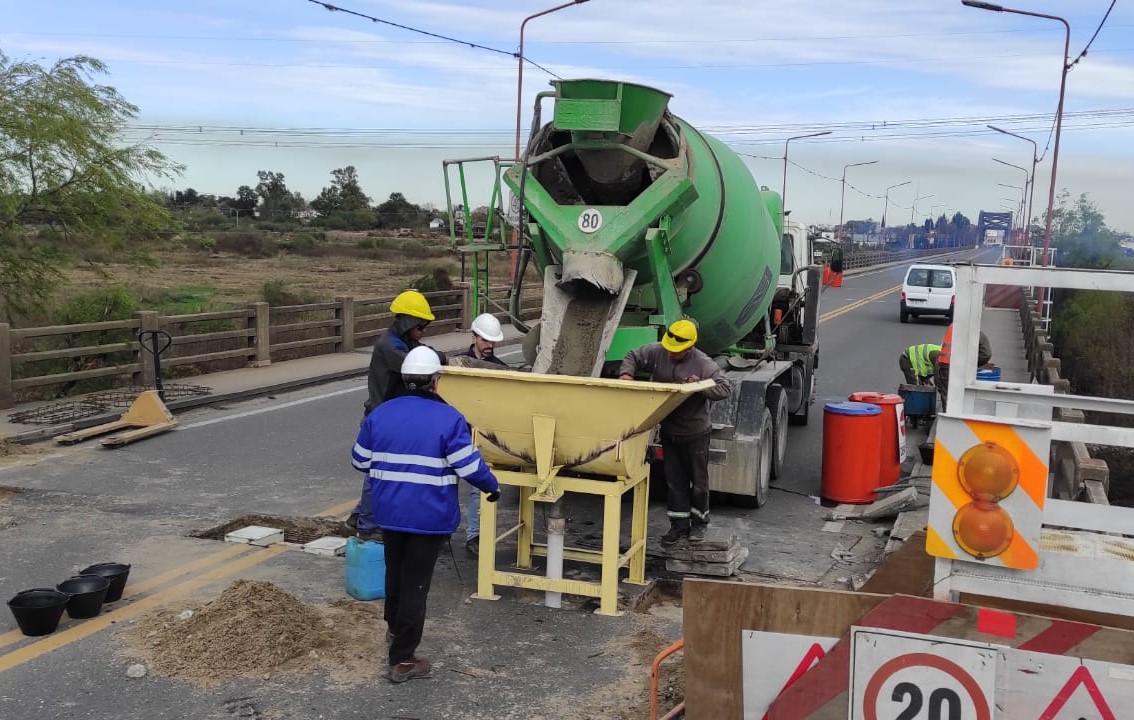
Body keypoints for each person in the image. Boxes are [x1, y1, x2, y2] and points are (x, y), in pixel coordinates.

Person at [351, 346, 501, 683]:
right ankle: (402, 659)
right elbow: (469, 466)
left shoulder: (381, 415)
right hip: (428, 518)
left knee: (396, 574)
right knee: (416, 584)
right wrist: (493, 486)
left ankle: (393, 629)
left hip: (389, 513)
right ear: (435, 382)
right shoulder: (449, 418)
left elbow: (359, 460)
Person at [619, 319, 731, 545]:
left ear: (689, 348)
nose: (670, 354)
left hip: (695, 433)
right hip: (669, 430)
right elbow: (633, 355)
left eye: (676, 352)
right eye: (668, 348)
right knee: (674, 481)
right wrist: (626, 374)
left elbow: (724, 388)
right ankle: (678, 526)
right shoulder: (659, 351)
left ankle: (699, 524)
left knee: (698, 482)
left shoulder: (703, 364)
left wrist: (700, 385)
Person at [345, 290, 436, 532]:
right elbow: (416, 366)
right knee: (376, 473)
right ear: (408, 322)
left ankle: (358, 516)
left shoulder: (407, 342)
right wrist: (441, 360)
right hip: (380, 417)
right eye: (421, 325)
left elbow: (423, 351)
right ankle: (366, 526)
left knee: (387, 473)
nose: (423, 330)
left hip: (394, 418)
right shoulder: (390, 347)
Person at [459, 313, 508, 555]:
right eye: (485, 340)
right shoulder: (458, 366)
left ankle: (474, 536)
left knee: (478, 488)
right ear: (474, 337)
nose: (490, 346)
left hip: (484, 437)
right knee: (444, 484)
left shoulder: (500, 368)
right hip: (458, 433)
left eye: (493, 342)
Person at [934, 323, 992, 412]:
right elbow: (986, 354)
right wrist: (972, 364)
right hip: (960, 366)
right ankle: (960, 416)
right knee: (963, 393)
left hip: (945, 364)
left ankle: (949, 419)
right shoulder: (972, 329)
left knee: (947, 394)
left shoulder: (952, 326)